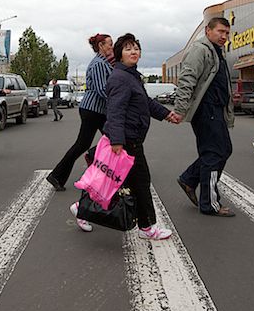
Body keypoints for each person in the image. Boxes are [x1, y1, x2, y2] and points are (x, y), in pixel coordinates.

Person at [70, 33, 180, 238]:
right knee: (140, 182)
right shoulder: (120, 78)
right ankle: (147, 228)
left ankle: (81, 207)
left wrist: (166, 114)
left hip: (131, 138)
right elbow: (115, 110)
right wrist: (117, 140)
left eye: (136, 48)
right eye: (128, 48)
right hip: (128, 141)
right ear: (120, 54)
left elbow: (146, 102)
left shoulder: (131, 76)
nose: (133, 51)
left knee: (116, 182)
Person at [174, 17, 237, 217]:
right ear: (208, 31)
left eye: (227, 33)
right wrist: (180, 109)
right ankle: (209, 203)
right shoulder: (200, 50)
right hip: (206, 110)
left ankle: (189, 179)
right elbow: (187, 78)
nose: (224, 36)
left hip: (216, 110)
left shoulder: (217, 52)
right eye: (220, 31)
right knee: (214, 154)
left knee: (224, 150)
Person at [47, 33, 114, 191]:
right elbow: (101, 89)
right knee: (111, 139)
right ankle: (57, 175)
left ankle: (57, 175)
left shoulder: (103, 63)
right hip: (93, 110)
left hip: (97, 110)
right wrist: (117, 103)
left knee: (105, 140)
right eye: (110, 44)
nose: (112, 47)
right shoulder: (98, 64)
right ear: (101, 46)